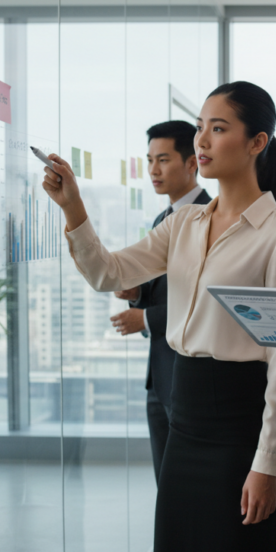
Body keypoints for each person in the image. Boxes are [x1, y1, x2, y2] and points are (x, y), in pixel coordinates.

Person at [41, 81, 276, 552]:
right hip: (185, 420)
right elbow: (108, 271)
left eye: (218, 128)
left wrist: (267, 464)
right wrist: (72, 205)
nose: (202, 140)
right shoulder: (183, 224)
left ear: (257, 143)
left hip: (239, 426)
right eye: (201, 127)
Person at [108, 120, 212, 484]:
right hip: (159, 377)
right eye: (150, 160)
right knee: (165, 485)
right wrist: (137, 294)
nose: (153, 170)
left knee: (188, 488)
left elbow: (206, 304)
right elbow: (167, 289)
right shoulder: (161, 219)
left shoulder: (209, 218)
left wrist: (146, 319)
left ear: (191, 163)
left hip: (190, 380)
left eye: (163, 160)